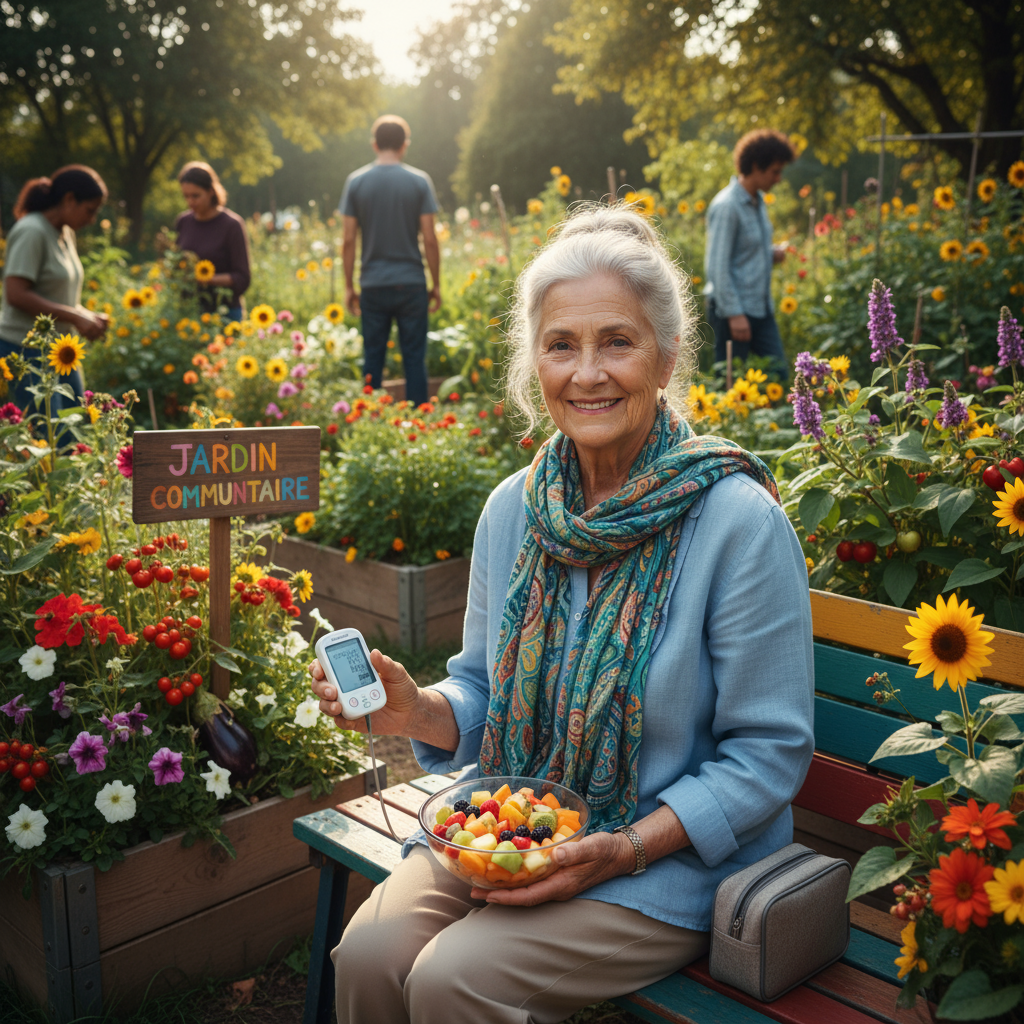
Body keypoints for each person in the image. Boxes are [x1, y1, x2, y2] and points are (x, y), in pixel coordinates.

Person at [308, 206, 815, 1024]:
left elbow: (770, 752)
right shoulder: (514, 509)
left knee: (451, 981)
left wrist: (623, 848)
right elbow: (480, 688)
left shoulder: (738, 523)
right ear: (533, 362)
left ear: (666, 356)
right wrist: (419, 709)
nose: (588, 374)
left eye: (617, 341)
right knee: (365, 954)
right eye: (561, 345)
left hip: (661, 858)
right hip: (509, 828)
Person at [339, 115, 441, 407]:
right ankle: (419, 423)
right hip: (411, 284)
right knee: (414, 358)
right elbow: (430, 239)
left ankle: (369, 417)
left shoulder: (356, 182)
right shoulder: (419, 181)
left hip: (372, 285)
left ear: (374, 144)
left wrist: (349, 286)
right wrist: (435, 284)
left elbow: (348, 240)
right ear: (404, 145)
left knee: (372, 357)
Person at [0, 165, 109, 412]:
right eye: (89, 210)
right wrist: (75, 317)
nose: (92, 219)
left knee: (75, 432)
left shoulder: (65, 232)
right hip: (25, 352)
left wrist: (87, 316)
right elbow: (16, 294)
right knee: (48, 439)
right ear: (69, 199)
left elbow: (57, 296)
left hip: (58, 350)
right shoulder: (31, 231)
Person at [703, 129, 796, 380]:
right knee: (730, 384)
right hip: (734, 311)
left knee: (779, 376)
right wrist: (735, 314)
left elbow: (743, 252)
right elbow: (717, 266)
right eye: (775, 171)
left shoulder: (758, 201)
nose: (778, 178)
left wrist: (771, 254)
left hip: (761, 307)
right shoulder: (727, 206)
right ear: (756, 166)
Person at [175, 161, 251, 321]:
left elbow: (243, 278)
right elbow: (175, 261)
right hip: (189, 312)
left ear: (211, 191)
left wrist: (207, 279)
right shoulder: (183, 222)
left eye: (195, 196)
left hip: (225, 313)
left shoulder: (232, 225)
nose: (190, 202)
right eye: (186, 196)